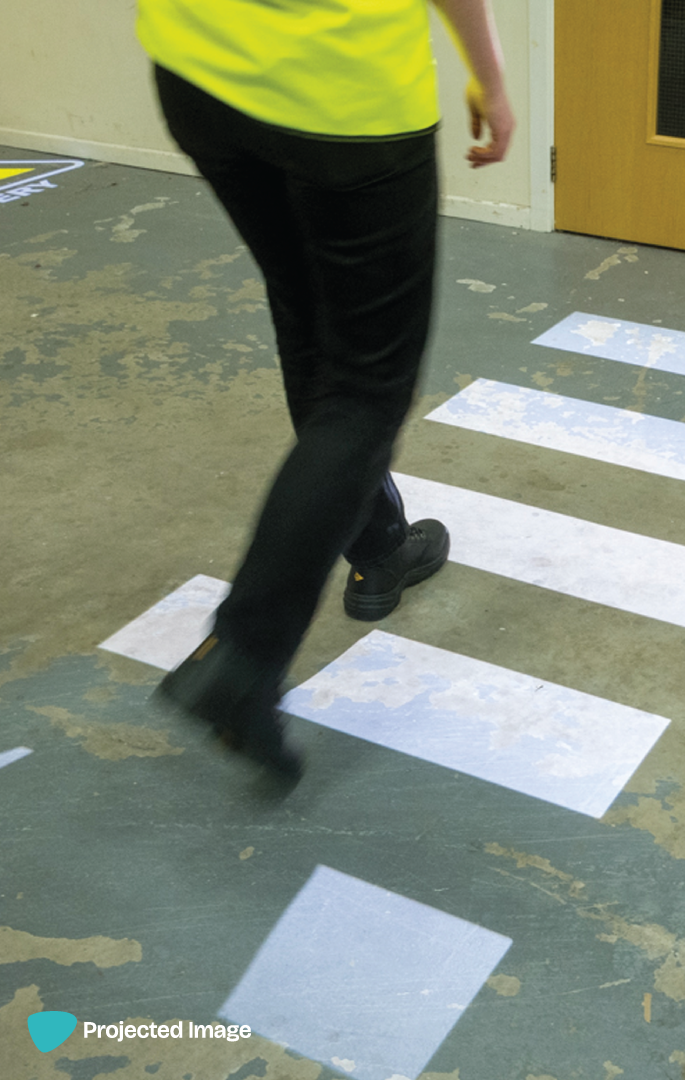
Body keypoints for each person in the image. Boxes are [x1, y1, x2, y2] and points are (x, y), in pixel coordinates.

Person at [136, 0, 514, 780]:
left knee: (309, 316)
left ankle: (377, 544)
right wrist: (490, 77)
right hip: (344, 96)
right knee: (367, 389)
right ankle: (242, 654)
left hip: (196, 67)